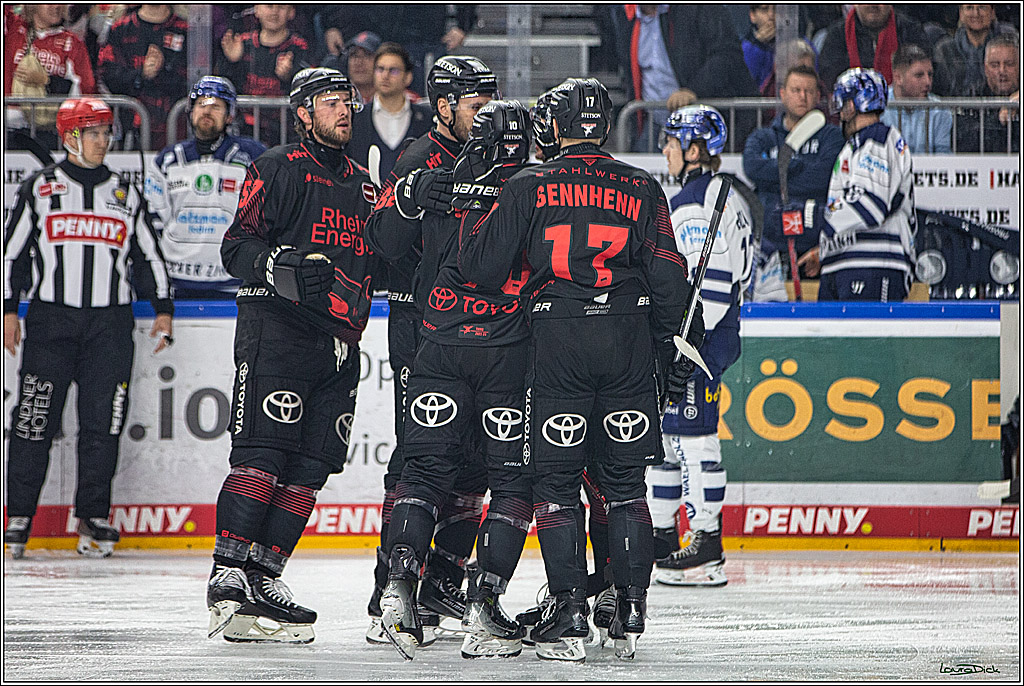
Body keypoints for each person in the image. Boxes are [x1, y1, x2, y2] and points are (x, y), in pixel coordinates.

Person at [458, 77, 700, 662]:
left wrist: (478, 198)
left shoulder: (529, 183)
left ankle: (568, 613)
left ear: (556, 126)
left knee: (558, 485)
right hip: (626, 340)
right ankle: (628, 607)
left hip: (558, 338)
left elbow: (481, 269)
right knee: (623, 487)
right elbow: (671, 276)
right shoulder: (641, 186)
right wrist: (666, 349)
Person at [206, 68, 378, 644]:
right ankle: (227, 576)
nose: (345, 111)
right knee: (262, 455)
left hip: (340, 344)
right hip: (277, 331)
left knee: (310, 468)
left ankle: (264, 576)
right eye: (332, 103)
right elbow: (237, 245)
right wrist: (275, 265)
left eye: (348, 102)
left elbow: (386, 257)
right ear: (303, 112)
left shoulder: (364, 183)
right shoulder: (275, 168)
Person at [371, 100, 536, 661]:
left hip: (437, 344)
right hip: (506, 353)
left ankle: (398, 594)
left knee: (423, 471)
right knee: (511, 479)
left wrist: (415, 193)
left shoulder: (441, 178)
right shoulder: (539, 186)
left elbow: (383, 241)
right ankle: (483, 609)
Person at [362, 54, 498, 646]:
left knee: (474, 462)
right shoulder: (418, 157)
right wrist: (411, 197)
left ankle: (440, 577)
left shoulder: (488, 154)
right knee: (423, 460)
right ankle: (384, 592)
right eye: (476, 103)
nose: (486, 113)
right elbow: (382, 244)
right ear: (443, 106)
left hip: (475, 335)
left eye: (490, 102)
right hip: (421, 330)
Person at [3, 98, 174, 560]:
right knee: (34, 420)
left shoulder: (125, 192)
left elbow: (148, 256)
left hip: (109, 325)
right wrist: (8, 311)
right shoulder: (40, 188)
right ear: (71, 137)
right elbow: (10, 254)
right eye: (95, 132)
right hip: (51, 320)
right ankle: (18, 516)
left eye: (106, 132)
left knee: (104, 426)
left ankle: (92, 516)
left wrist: (163, 308)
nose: (104, 141)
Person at [647, 105, 752, 588]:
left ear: (694, 148)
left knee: (693, 440)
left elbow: (708, 287)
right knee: (669, 441)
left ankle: (706, 544)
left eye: (672, 141)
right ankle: (665, 537)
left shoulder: (693, 201)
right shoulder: (726, 194)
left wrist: (683, 349)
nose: (665, 150)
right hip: (710, 335)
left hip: (698, 342)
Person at [782, 68, 916, 302]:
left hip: (874, 264)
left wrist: (810, 216)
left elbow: (869, 206)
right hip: (846, 263)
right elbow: (847, 207)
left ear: (854, 105)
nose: (840, 110)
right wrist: (825, 249)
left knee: (867, 339)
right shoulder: (855, 146)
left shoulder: (876, 141)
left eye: (843, 102)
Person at [147, 76, 267, 299]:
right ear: (191, 112)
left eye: (216, 106)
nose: (207, 111)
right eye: (201, 104)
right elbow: (153, 220)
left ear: (230, 115)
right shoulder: (167, 160)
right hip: (177, 278)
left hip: (232, 279)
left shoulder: (253, 157)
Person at [617, 4, 757, 151]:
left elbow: (727, 54)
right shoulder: (626, 17)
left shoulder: (701, 8)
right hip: (655, 124)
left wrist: (693, 91)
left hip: (706, 124)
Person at [743, 65, 845, 266]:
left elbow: (824, 178)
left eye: (808, 91)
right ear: (782, 94)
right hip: (771, 242)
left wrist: (774, 181)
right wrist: (797, 166)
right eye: (796, 90)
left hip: (817, 241)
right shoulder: (763, 136)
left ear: (817, 96)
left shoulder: (831, 136)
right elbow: (752, 168)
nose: (802, 97)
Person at [4, 4, 96, 152]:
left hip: (50, 133)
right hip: (9, 128)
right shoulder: (13, 30)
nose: (57, 6)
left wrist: (47, 81)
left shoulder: (72, 43)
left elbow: (86, 90)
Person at [97, 4, 188, 150]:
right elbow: (108, 76)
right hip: (129, 130)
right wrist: (141, 75)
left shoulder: (185, 29)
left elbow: (193, 80)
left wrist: (162, 71)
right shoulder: (120, 28)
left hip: (175, 131)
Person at [218, 4, 311, 146]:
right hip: (245, 130)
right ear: (256, 10)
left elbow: (308, 87)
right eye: (269, 6)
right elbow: (225, 85)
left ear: (291, 12)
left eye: (280, 7)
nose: (274, 12)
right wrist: (233, 62)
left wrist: (289, 76)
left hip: (284, 133)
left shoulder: (300, 46)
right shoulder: (242, 42)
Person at [346, 42, 432, 176]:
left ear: (408, 77)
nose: (385, 76)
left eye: (394, 70)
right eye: (380, 69)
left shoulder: (427, 119)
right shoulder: (355, 119)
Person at [817, 5, 930, 89]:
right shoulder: (837, 33)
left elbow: (925, 70)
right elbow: (829, 77)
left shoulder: (910, 30)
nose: (873, 5)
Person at [880, 45, 953, 154]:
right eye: (919, 75)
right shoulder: (878, 107)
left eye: (930, 75)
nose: (928, 82)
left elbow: (943, 157)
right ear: (898, 77)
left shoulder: (940, 110)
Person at [933, 4, 1018, 96]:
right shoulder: (945, 49)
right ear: (961, 13)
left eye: (982, 7)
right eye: (969, 8)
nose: (976, 14)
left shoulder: (1014, 43)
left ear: (992, 12)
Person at [956, 34, 1019, 153]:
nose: (1002, 71)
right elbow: (967, 143)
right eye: (995, 65)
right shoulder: (971, 97)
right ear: (985, 69)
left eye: (1009, 64)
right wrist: (1000, 118)